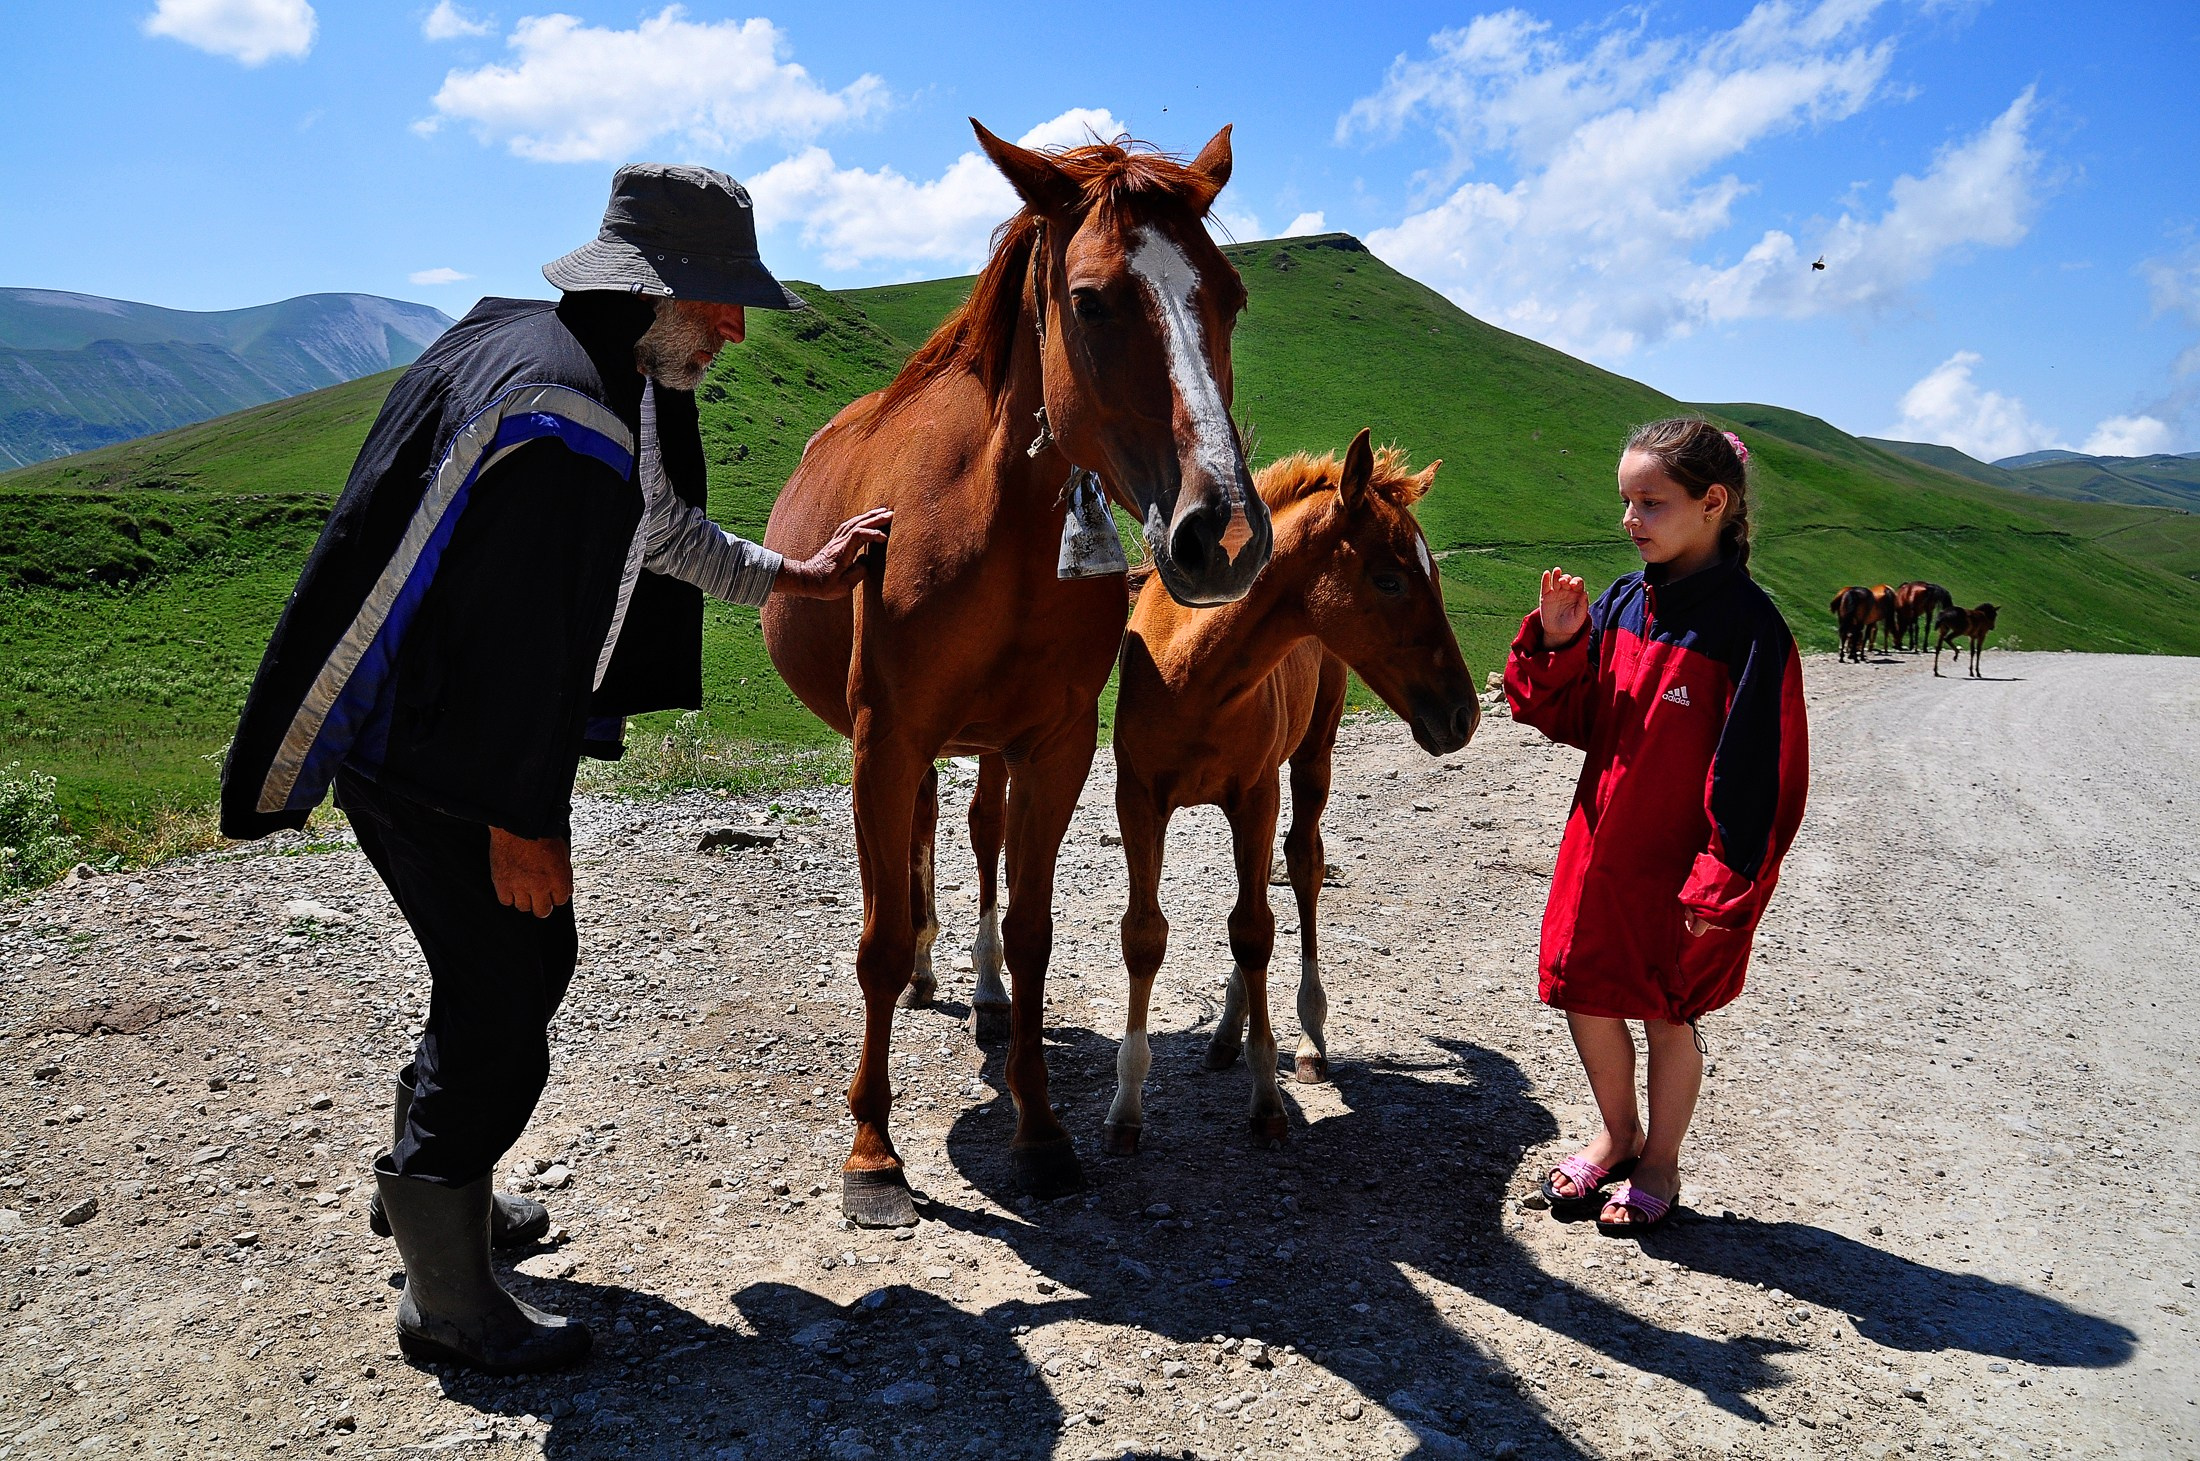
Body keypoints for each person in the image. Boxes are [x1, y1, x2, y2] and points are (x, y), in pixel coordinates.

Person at [219, 163, 889, 1373]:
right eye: (718, 300)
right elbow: (511, 651)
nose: (734, 330)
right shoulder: (565, 419)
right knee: (507, 998)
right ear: (649, 289)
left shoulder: (574, 362)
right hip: (440, 756)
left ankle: (439, 1189)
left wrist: (797, 575)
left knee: (508, 970)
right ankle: (445, 1298)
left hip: (437, 740)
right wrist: (521, 820)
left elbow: (659, 530)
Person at [1502, 419, 1807, 1235]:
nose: (1630, 519)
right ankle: (1618, 1133)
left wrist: (1721, 880)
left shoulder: (1750, 630)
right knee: (1584, 990)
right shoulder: (1622, 601)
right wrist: (1561, 643)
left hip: (1679, 865)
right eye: (1626, 501)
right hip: (1598, 845)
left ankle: (1661, 1159)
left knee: (1668, 1009)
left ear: (1713, 503)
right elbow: (1577, 717)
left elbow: (1759, 775)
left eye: (1651, 502)